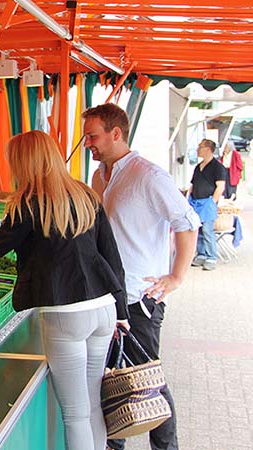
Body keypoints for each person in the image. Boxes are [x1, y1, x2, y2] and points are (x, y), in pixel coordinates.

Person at [0, 130, 129, 450]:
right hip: (103, 309)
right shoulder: (85, 194)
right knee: (93, 403)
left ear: (24, 162)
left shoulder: (27, 203)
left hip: (65, 313)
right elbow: (111, 254)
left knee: (76, 413)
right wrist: (122, 312)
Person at [82, 103, 199, 450]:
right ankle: (113, 445)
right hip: (107, 295)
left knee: (148, 381)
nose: (88, 143)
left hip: (139, 297)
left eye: (93, 136)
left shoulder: (148, 175)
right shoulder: (99, 175)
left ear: (115, 133)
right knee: (113, 379)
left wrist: (175, 278)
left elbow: (188, 223)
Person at [187, 139, 226, 271]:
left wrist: (212, 202)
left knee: (207, 231)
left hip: (207, 202)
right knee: (198, 230)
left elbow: (220, 186)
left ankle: (211, 256)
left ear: (208, 149)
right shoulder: (198, 167)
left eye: (200, 147)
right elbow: (193, 184)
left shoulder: (217, 167)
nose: (198, 149)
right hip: (195, 201)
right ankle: (201, 254)